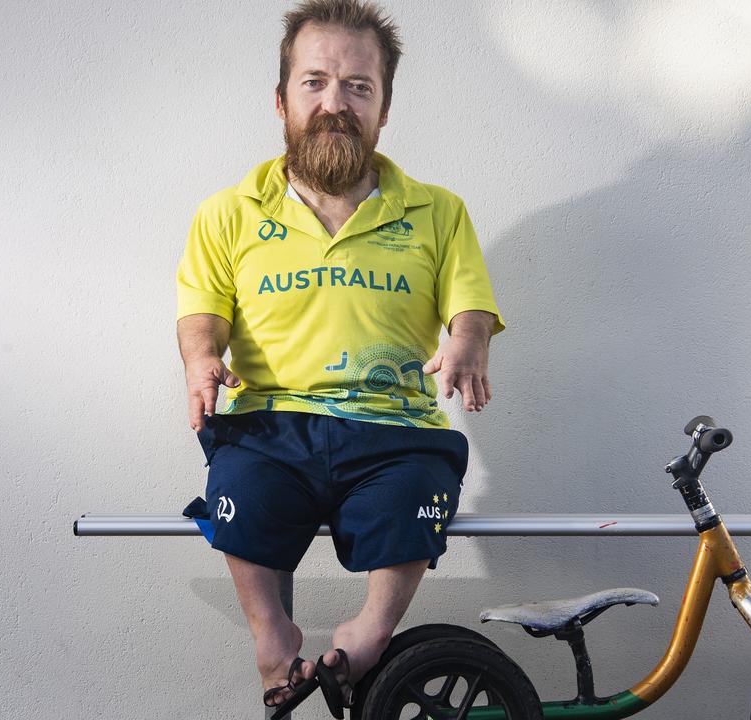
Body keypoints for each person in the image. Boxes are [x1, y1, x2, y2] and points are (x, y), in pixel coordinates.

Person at [174, 1, 504, 716]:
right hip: (271, 421)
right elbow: (203, 310)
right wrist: (200, 359)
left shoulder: (438, 211)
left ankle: (369, 632)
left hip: (394, 429)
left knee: (420, 489)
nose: (335, 103)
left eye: (358, 87)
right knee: (238, 486)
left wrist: (469, 341)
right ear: (281, 99)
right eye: (315, 81)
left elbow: (469, 304)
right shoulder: (228, 213)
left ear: (384, 108)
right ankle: (271, 635)